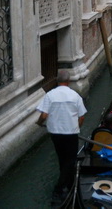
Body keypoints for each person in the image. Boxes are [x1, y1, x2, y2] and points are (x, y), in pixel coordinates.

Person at [36, 70, 87, 201]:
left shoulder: (50, 95)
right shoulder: (75, 96)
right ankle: (59, 189)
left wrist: (39, 123)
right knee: (70, 160)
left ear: (57, 81)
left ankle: (69, 185)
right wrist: (77, 126)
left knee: (62, 159)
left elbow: (44, 115)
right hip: (71, 133)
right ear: (69, 81)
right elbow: (82, 117)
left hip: (55, 134)